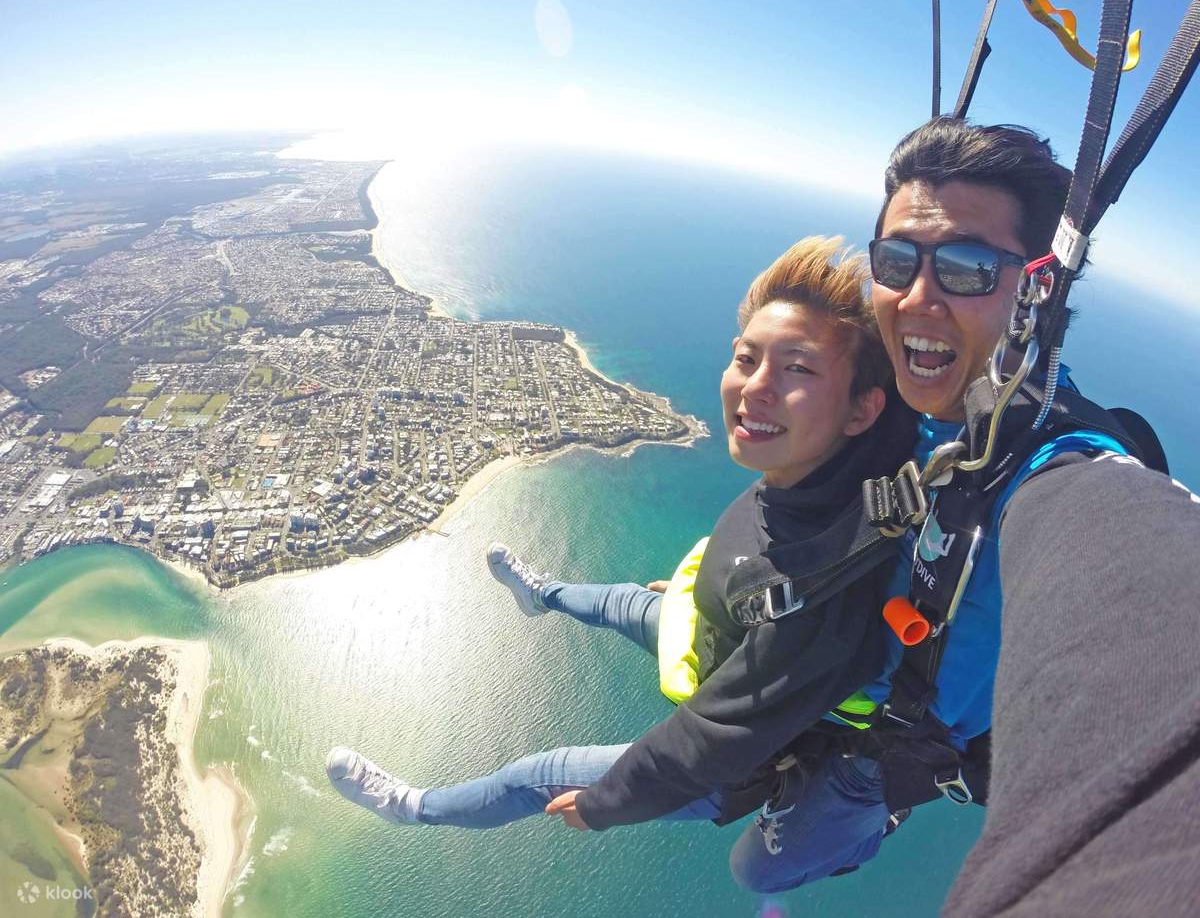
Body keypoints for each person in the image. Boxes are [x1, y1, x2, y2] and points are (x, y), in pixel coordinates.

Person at [326, 236, 919, 890]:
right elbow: (760, 545)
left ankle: (416, 809)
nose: (755, 387)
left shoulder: (821, 590)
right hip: (723, 634)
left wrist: (603, 803)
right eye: (746, 358)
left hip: (739, 762)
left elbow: (713, 737)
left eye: (797, 370)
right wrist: (717, 595)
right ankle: (542, 593)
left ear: (862, 409)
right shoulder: (815, 477)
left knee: (533, 776)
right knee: (620, 600)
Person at [862, 116, 1200, 914]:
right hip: (868, 693)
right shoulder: (887, 393)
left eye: (963, 267)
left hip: (917, 744)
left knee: (771, 860)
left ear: (1036, 290)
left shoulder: (1054, 465)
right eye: (894, 261)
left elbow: (1122, 546)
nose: (917, 296)